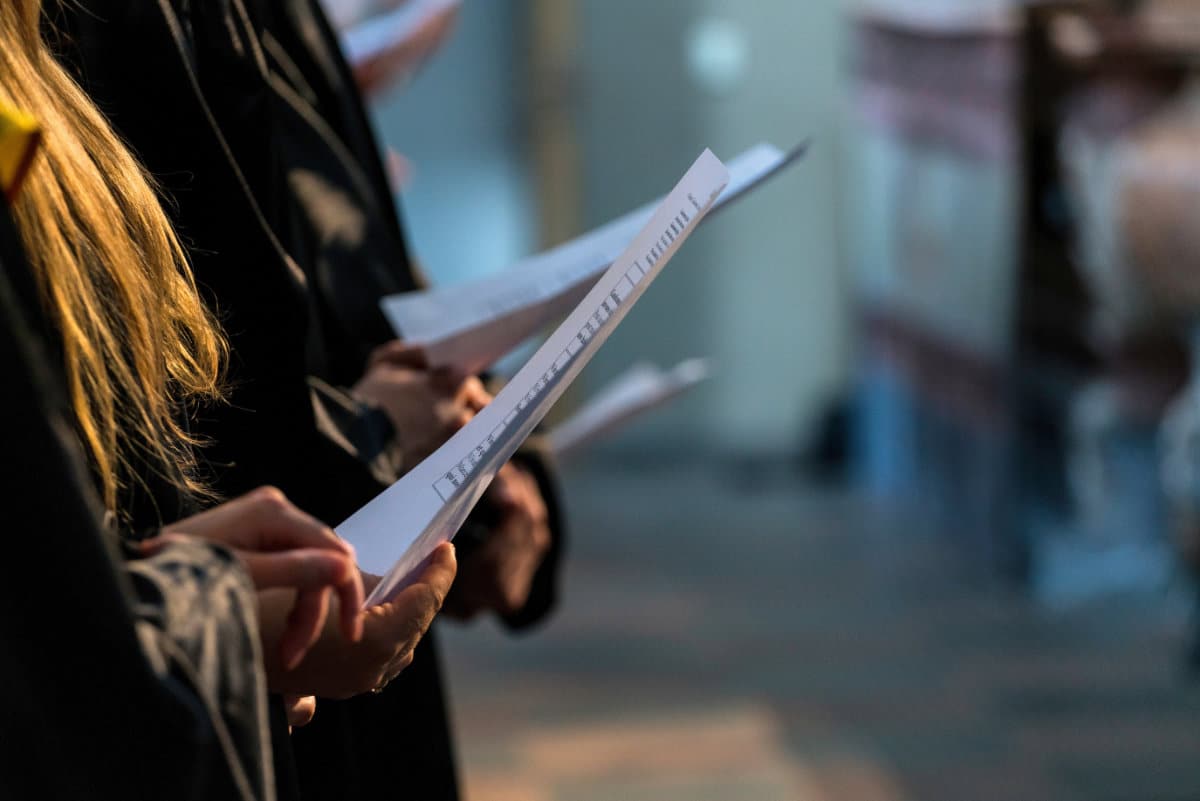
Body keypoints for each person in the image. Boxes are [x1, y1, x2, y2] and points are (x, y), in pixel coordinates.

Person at [49, 1, 563, 797]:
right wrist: (368, 432)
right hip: (261, 641)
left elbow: (362, 265)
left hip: (322, 623)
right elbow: (176, 392)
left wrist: (499, 454)